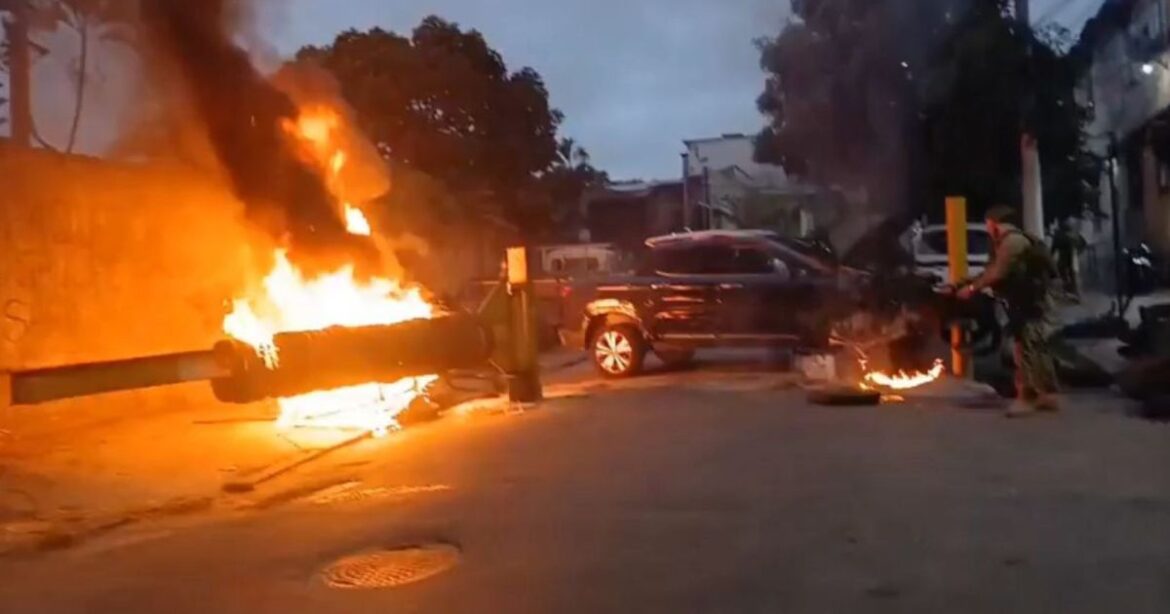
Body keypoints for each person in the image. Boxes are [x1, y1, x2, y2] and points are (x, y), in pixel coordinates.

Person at [957, 206, 1060, 417]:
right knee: (1035, 347)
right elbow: (990, 270)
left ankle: (1027, 398)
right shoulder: (1006, 242)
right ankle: (1045, 396)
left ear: (995, 223)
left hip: (1030, 303)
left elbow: (998, 272)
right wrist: (963, 282)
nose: (987, 229)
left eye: (988, 224)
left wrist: (971, 289)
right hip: (1025, 302)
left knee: (1026, 350)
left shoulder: (1012, 242)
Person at [1050, 218, 1085, 301]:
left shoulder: (1059, 236)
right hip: (1073, 257)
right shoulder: (1075, 235)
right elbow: (1083, 243)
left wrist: (1051, 256)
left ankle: (1069, 293)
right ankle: (1076, 294)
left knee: (1065, 276)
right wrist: (1079, 252)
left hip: (1064, 258)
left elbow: (1053, 248)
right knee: (1074, 275)